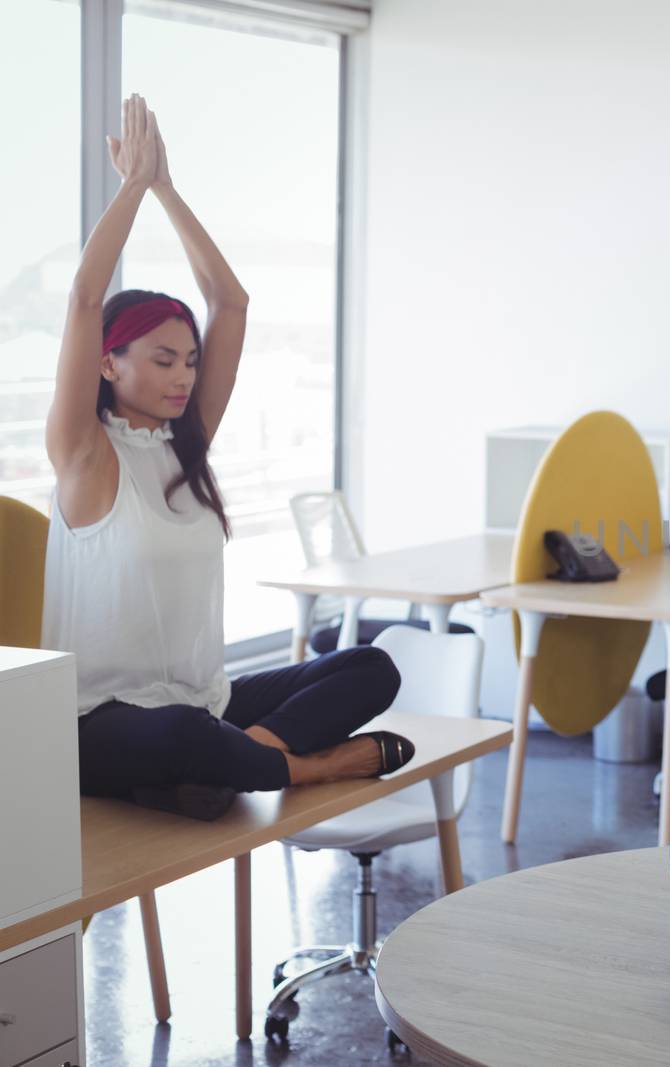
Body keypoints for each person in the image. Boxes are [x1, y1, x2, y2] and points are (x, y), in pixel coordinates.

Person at [42, 95, 410, 822]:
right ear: (108, 365)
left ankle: (234, 759)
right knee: (180, 733)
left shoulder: (186, 446)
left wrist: (169, 190)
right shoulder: (84, 454)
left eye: (190, 361)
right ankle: (308, 766)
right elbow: (85, 299)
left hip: (204, 703)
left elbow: (231, 302)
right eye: (162, 359)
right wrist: (132, 190)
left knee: (373, 663)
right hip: (99, 725)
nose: (183, 376)